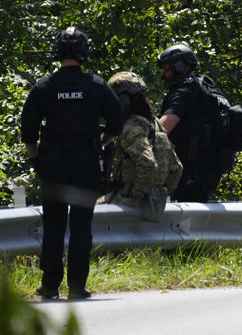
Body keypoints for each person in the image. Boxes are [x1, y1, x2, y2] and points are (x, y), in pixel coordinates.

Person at [20, 27, 123, 300]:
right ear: (83, 51)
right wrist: (100, 144)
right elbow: (117, 123)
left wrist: (35, 157)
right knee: (81, 226)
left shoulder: (44, 86)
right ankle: (78, 286)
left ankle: (50, 285)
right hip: (86, 165)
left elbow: (28, 127)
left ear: (58, 51)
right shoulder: (96, 85)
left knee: (53, 225)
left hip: (53, 166)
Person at [102, 72, 182, 220]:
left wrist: (136, 197)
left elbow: (148, 162)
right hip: (155, 204)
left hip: (128, 199)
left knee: (90, 211)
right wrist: (160, 194)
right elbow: (176, 168)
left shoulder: (132, 127)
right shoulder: (155, 124)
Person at [156, 43, 222, 202]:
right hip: (207, 165)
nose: (163, 74)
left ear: (179, 66)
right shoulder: (203, 85)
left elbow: (164, 127)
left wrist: (137, 133)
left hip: (190, 168)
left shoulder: (185, 90)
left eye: (165, 68)